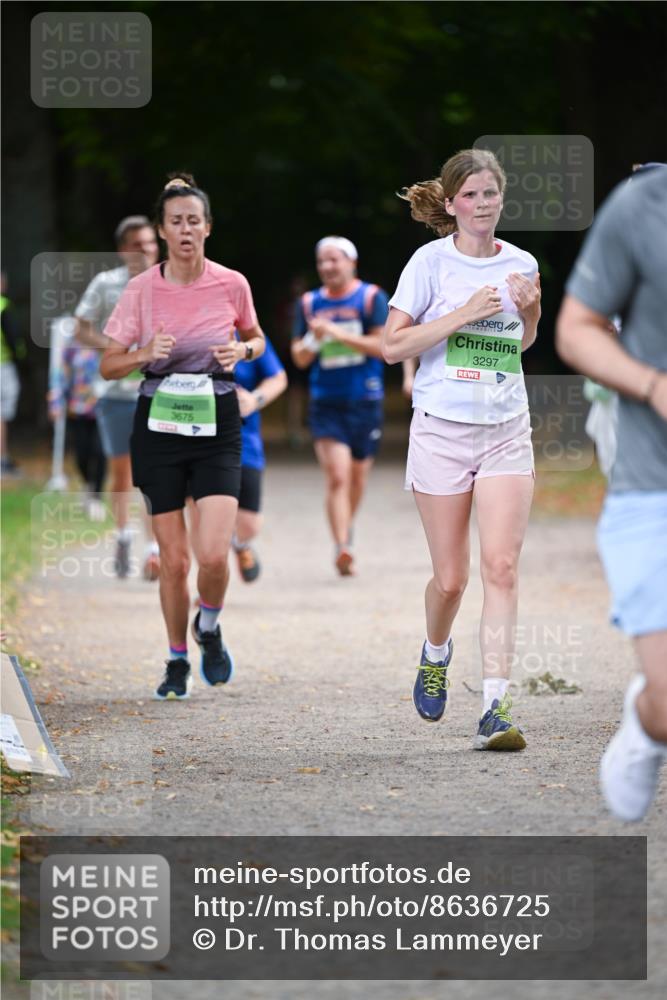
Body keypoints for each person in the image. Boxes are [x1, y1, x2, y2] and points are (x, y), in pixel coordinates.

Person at [383, 148, 541, 750]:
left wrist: (529, 316)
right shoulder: (429, 263)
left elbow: (520, 343)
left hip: (506, 428)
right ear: (450, 204)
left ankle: (496, 709)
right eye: (470, 195)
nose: (482, 205)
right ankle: (434, 652)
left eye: (491, 194)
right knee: (451, 581)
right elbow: (393, 347)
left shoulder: (522, 262)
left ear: (502, 199)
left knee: (501, 568)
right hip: (442, 431)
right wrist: (462, 314)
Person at [100, 173, 266, 700]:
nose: (186, 229)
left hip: (217, 424)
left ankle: (209, 628)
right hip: (159, 427)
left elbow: (258, 339)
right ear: (163, 230)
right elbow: (108, 365)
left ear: (208, 227)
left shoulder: (232, 283)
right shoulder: (140, 290)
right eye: (177, 221)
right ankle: (176, 660)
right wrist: (144, 354)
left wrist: (242, 352)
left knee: (213, 555)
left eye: (195, 220)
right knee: (174, 561)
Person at [556, 163, 667, 820]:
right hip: (653, 482)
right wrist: (653, 386)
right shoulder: (643, 204)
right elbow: (575, 329)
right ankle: (648, 719)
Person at [291, 236, 389, 576]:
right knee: (337, 476)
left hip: (365, 400)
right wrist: (313, 339)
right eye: (322, 261)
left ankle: (347, 529)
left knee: (358, 478)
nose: (327, 267)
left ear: (352, 262)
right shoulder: (308, 303)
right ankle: (342, 545)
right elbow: (299, 359)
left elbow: (383, 347)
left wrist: (337, 334)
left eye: (334, 260)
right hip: (325, 402)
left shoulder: (372, 298)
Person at [75, 216, 160, 579]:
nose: (147, 250)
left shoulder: (169, 282)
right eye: (138, 245)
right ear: (123, 249)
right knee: (122, 472)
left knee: (157, 472)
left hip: (158, 391)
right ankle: (124, 535)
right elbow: (81, 327)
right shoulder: (106, 284)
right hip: (116, 392)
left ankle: (154, 548)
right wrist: (116, 350)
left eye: (151, 243)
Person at [188, 334, 287, 583]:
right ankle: (207, 584)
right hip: (195, 438)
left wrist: (255, 399)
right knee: (198, 514)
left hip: (243, 440)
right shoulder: (188, 330)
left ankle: (239, 543)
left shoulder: (247, 336)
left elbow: (278, 377)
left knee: (249, 524)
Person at [47, 341, 107, 519]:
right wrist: (55, 402)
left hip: (103, 409)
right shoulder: (71, 348)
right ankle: (88, 484)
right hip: (78, 410)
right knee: (82, 454)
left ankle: (97, 497)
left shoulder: (107, 343)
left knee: (100, 451)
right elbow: (60, 377)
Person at [0, 273, 25, 477]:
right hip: (3, 365)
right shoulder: (3, 305)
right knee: (2, 414)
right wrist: (20, 358)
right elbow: (14, 338)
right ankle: (2, 458)